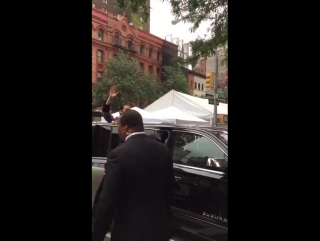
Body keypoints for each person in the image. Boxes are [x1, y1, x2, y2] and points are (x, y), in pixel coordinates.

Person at [92, 110, 175, 241]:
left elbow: (107, 201)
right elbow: (170, 189)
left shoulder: (118, 155)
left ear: (125, 128)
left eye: (118, 125)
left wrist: (97, 236)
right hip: (159, 229)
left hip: (129, 231)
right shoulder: (163, 150)